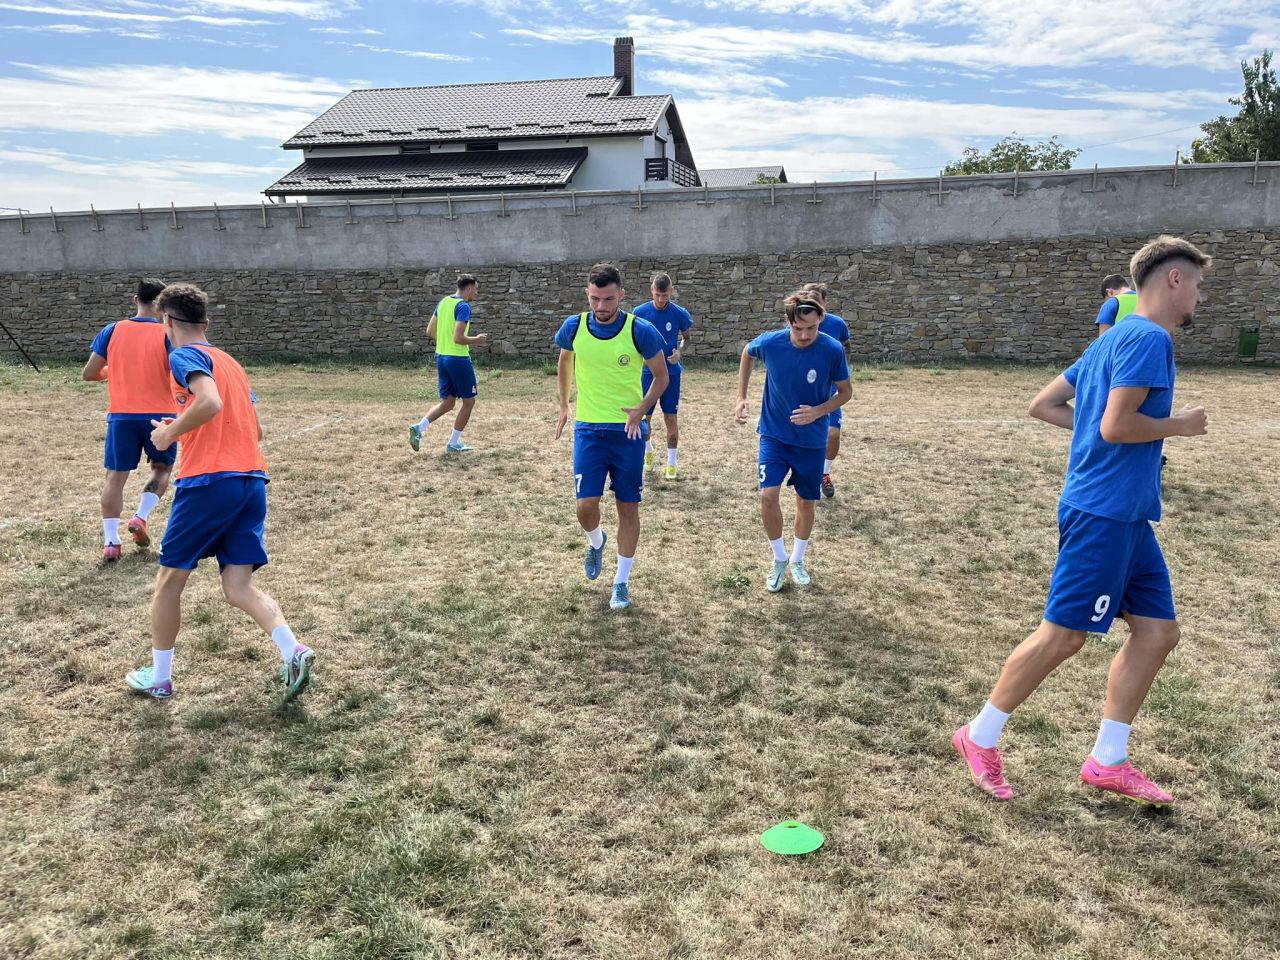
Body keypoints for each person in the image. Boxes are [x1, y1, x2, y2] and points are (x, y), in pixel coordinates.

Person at [953, 236, 1211, 807]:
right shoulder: (1148, 338)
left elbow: (1044, 404)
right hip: (1103, 512)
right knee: (1064, 635)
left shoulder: (1112, 339)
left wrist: (1100, 433)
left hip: (1127, 514)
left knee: (1157, 632)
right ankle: (978, 736)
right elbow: (1117, 427)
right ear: (1173, 279)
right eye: (1197, 283)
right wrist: (1181, 425)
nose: (1199, 295)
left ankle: (1108, 759)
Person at [124, 283, 315, 702]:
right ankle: (294, 650)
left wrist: (170, 432)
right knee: (237, 587)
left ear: (167, 322)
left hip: (209, 482)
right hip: (251, 481)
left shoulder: (183, 356)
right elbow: (256, 428)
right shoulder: (230, 362)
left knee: (168, 582)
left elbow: (210, 403)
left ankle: (159, 678)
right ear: (206, 323)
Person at [555, 263, 668, 610]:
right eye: (594, 299)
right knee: (585, 507)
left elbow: (662, 377)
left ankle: (621, 583)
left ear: (621, 294)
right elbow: (564, 361)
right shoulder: (574, 327)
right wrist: (564, 404)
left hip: (628, 433)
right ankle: (596, 540)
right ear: (587, 295)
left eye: (607, 299)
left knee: (627, 508)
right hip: (588, 429)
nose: (601, 307)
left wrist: (642, 410)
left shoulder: (640, 330)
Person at [735, 289, 851, 591]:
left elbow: (846, 392)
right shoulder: (772, 343)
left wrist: (818, 412)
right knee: (767, 496)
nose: (804, 335)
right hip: (774, 435)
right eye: (798, 328)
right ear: (788, 323)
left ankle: (798, 560)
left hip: (811, 441)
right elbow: (748, 352)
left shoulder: (831, 349)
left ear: (820, 321)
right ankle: (779, 559)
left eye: (811, 328)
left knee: (805, 502)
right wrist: (741, 397)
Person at [82, 278, 176, 561]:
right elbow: (178, 371)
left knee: (115, 478)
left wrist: (112, 371)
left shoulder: (113, 330)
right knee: (161, 470)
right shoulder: (167, 334)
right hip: (161, 417)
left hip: (122, 416)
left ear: (136, 300)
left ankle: (111, 542)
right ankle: (141, 516)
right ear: (162, 306)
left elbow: (89, 373)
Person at [409, 273, 488, 453]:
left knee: (449, 402)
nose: (476, 293)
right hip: (458, 359)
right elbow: (459, 338)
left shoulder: (443, 302)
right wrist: (477, 339)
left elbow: (429, 330)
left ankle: (418, 428)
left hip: (442, 357)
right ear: (468, 288)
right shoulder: (463, 307)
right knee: (469, 402)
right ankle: (453, 443)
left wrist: (444, 342)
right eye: (475, 289)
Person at [632, 272, 694, 480]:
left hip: (672, 374)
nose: (661, 299)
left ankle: (672, 464)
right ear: (652, 290)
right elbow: (632, 343)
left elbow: (687, 339)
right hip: (647, 373)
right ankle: (648, 452)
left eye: (665, 295)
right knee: (644, 417)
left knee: (670, 418)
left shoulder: (679, 313)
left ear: (671, 292)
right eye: (658, 295)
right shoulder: (639, 313)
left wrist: (680, 352)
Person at [802, 282, 852, 498]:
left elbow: (846, 346)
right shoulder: (797, 323)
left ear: (824, 302)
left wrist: (842, 370)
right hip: (803, 392)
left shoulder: (837, 324)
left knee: (832, 434)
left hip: (829, 393)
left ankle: (823, 473)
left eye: (816, 300)